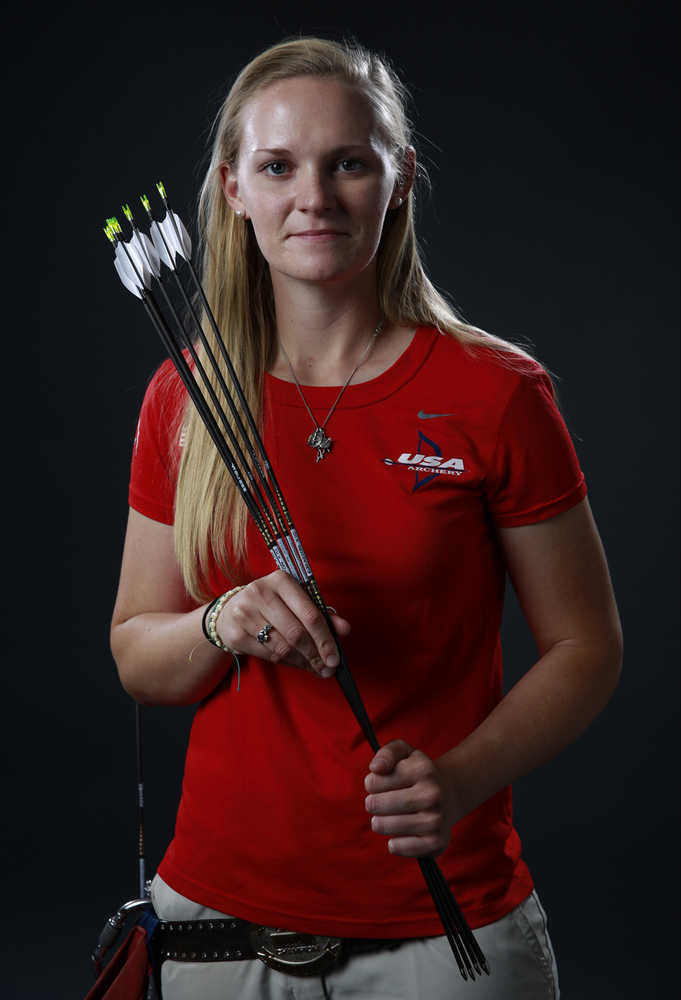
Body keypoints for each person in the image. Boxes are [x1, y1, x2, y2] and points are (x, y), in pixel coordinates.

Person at [110, 36, 622, 1000]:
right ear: (232, 189)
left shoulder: (496, 391)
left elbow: (586, 647)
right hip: (215, 921)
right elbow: (138, 653)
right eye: (278, 166)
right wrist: (222, 621)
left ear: (399, 178)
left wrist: (458, 780)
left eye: (348, 162)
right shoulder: (182, 395)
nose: (314, 196)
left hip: (442, 923)